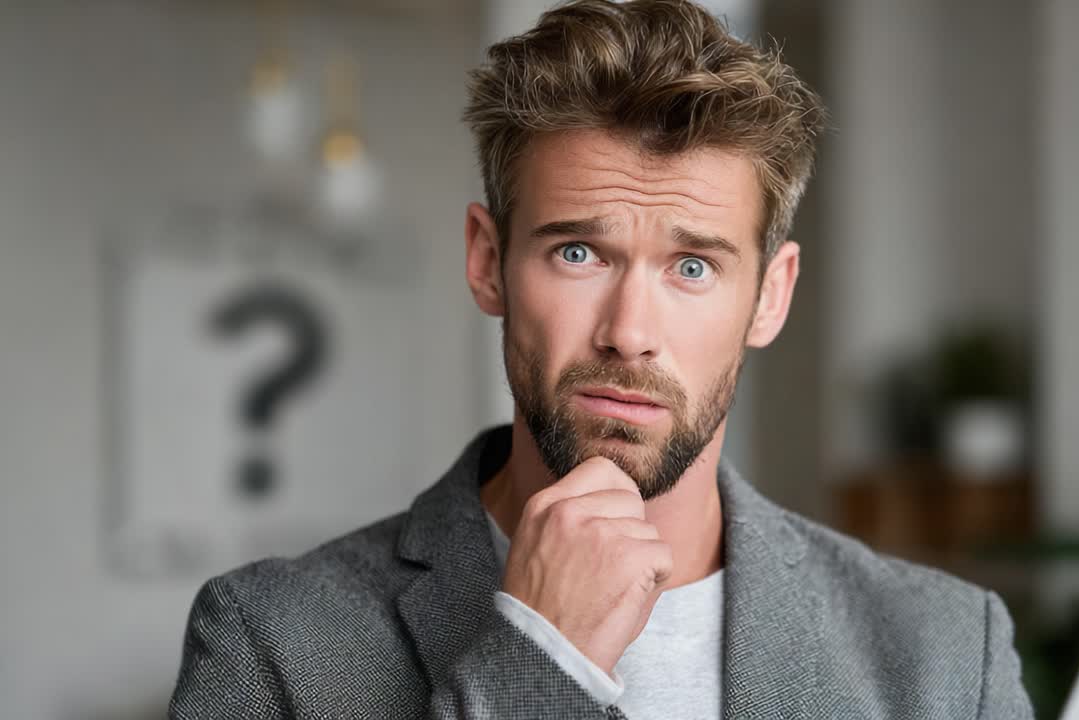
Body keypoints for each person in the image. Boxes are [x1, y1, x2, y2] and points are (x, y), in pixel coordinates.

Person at [170, 1, 1034, 717]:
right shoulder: (270, 644)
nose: (629, 331)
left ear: (770, 295)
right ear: (486, 260)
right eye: (578, 253)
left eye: (692, 266)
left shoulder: (950, 654)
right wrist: (543, 656)